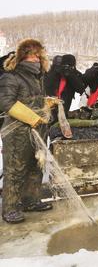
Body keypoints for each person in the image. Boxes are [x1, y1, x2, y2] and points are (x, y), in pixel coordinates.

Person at [0, 39, 52, 223]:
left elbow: (36, 99)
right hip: (17, 134)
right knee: (15, 169)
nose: (37, 60)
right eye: (34, 56)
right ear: (26, 56)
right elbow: (6, 102)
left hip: (38, 130)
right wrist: (31, 118)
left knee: (36, 166)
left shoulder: (39, 76)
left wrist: (47, 104)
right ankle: (10, 208)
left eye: (39, 56)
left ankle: (30, 200)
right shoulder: (11, 76)